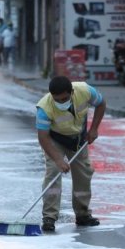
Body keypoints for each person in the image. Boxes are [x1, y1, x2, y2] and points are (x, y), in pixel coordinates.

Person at [35, 75, 106, 232]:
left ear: (72, 92)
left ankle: (82, 215)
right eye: (57, 100)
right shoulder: (44, 108)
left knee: (83, 174)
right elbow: (43, 138)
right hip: (54, 140)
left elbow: (101, 104)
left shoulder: (86, 91)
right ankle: (49, 217)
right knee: (53, 173)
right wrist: (59, 160)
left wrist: (94, 129)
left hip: (77, 139)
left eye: (64, 98)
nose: (61, 102)